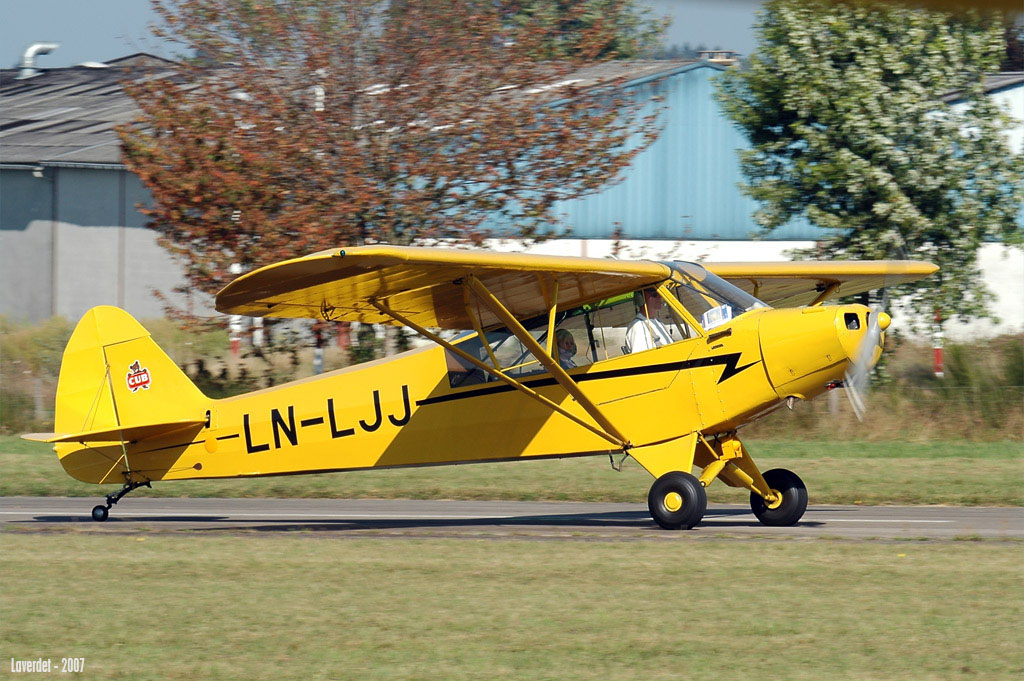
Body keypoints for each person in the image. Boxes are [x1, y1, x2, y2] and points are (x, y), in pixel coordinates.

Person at [625, 288, 673, 353]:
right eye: (655, 295)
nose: (660, 297)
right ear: (640, 299)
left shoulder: (658, 322)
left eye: (660, 293)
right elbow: (642, 359)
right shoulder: (638, 326)